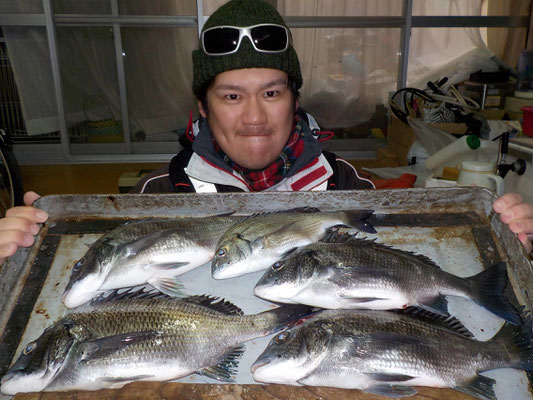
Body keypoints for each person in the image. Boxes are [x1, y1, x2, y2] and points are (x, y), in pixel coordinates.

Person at [1, 0, 533, 263]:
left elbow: (419, 266)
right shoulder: (158, 201)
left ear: (296, 100)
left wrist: (504, 239)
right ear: (204, 109)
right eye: (231, 96)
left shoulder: (352, 192)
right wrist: (21, 250)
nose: (254, 117)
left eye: (272, 92)